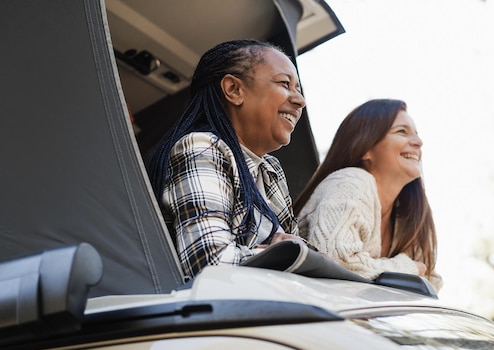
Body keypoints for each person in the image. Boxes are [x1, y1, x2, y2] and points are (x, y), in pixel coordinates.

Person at [146, 39, 306, 281]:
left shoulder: (270, 169)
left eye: (299, 89)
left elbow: (296, 249)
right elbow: (210, 264)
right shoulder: (201, 147)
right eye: (285, 84)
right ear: (234, 89)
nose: (299, 101)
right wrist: (281, 255)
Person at [294, 99, 442, 292]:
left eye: (416, 133)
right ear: (366, 147)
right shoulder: (351, 181)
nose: (418, 142)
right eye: (401, 131)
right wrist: (408, 268)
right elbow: (335, 261)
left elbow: (430, 280)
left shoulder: (411, 213)